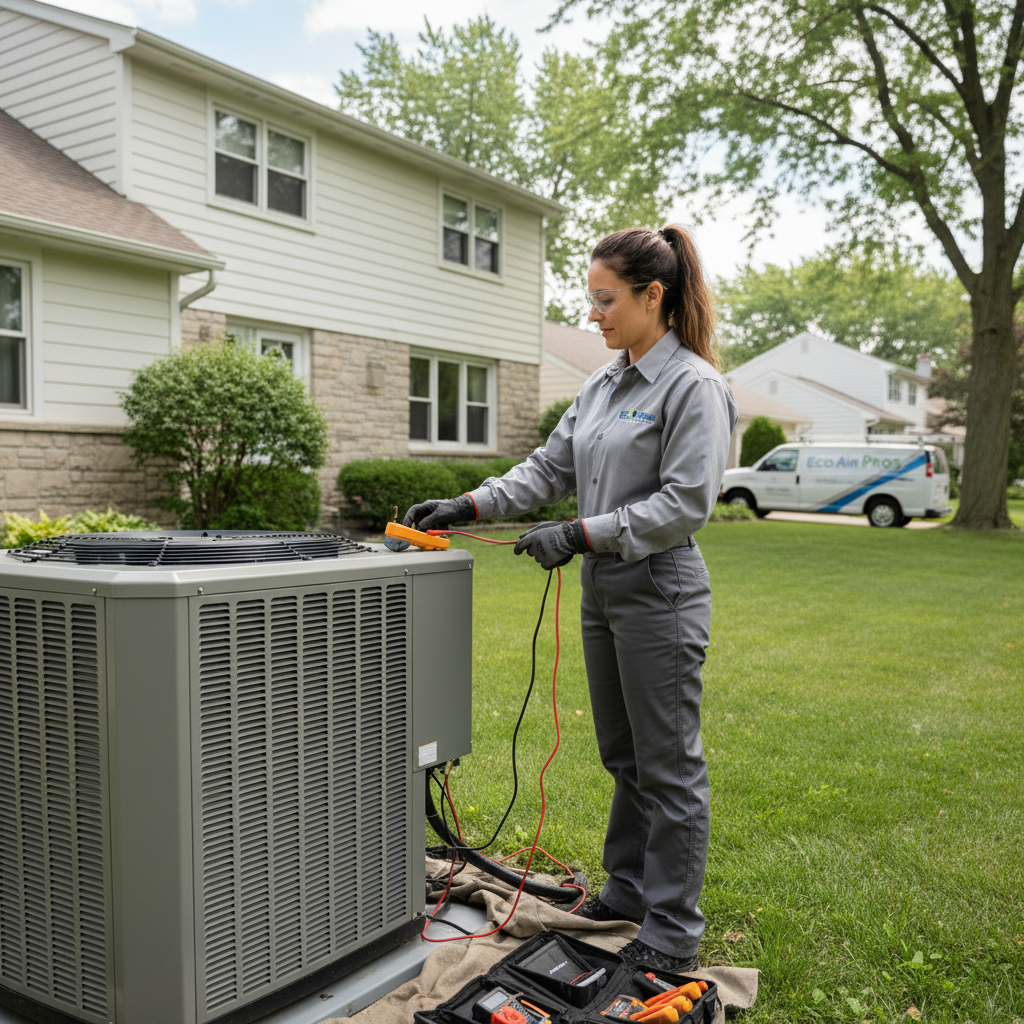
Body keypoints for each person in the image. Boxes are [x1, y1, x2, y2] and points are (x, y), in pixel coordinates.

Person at [404, 225, 737, 972]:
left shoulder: (694, 387)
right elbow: (547, 468)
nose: (595, 314)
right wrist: (470, 503)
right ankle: (627, 891)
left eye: (606, 299)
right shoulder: (604, 384)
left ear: (655, 296)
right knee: (624, 756)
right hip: (604, 592)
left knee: (668, 764)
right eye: (591, 300)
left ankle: (674, 928)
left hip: (660, 591)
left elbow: (685, 504)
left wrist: (583, 534)